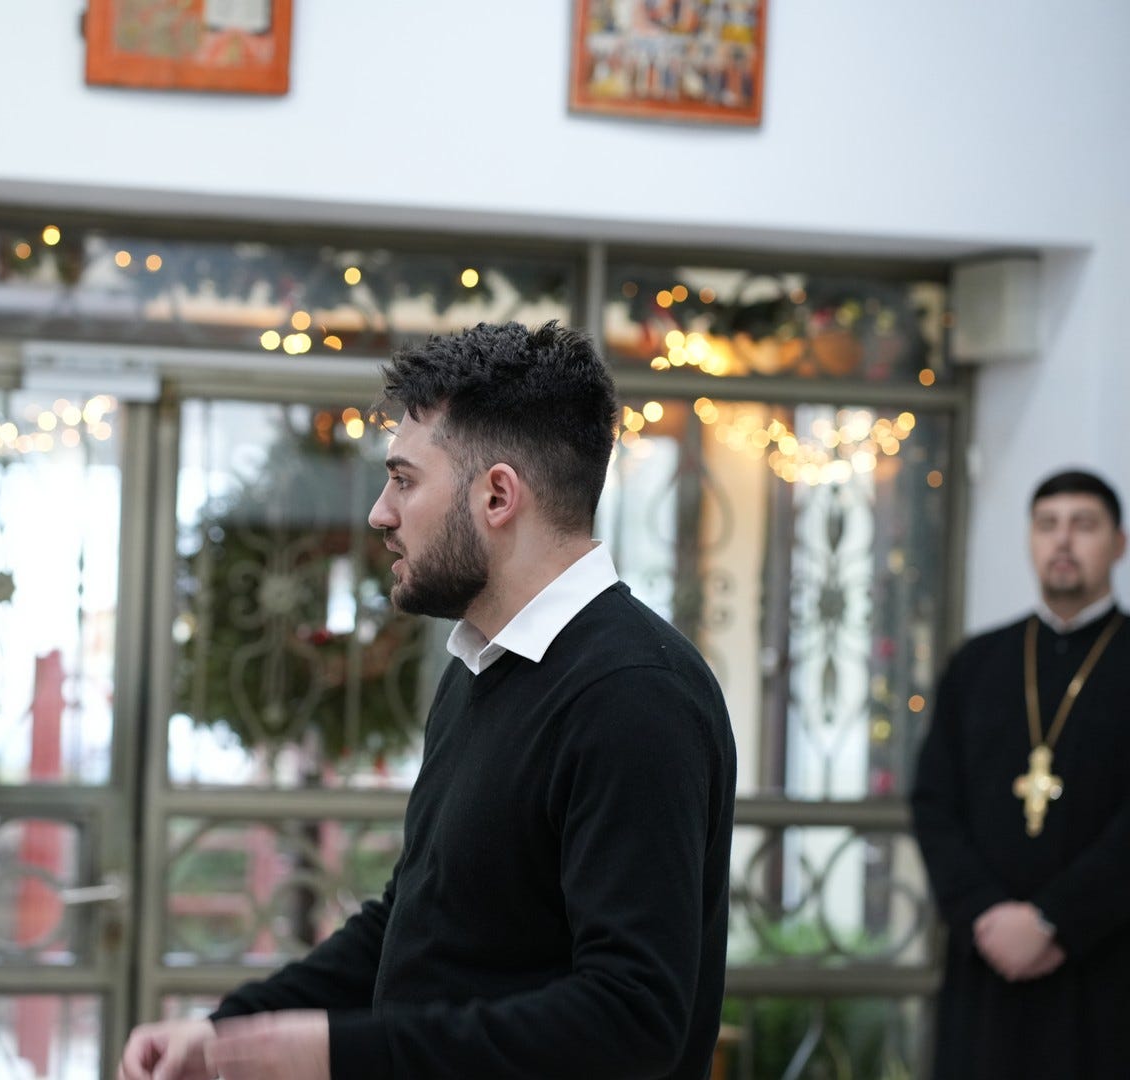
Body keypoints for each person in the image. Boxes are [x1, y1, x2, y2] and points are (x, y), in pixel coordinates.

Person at [120, 321, 737, 1080]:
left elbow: (631, 1021)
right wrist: (227, 1031)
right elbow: (417, 921)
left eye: (405, 480)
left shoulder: (635, 695)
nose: (380, 512)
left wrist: (343, 1055)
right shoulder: (482, 662)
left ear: (497, 495)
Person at [911, 468, 1130, 1079]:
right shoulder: (977, 663)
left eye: (1083, 525)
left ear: (1118, 543)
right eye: (1047, 524)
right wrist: (984, 915)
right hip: (987, 966)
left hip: (1106, 966)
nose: (1063, 541)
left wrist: (1055, 919)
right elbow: (933, 801)